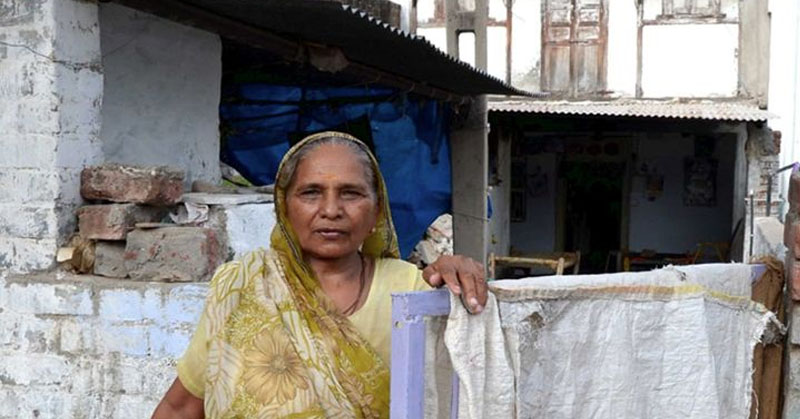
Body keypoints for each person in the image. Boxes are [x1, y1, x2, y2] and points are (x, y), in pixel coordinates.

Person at [152, 131, 488, 418]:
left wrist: (459, 282)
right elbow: (179, 408)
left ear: (377, 212)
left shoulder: (410, 289)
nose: (331, 210)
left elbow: (466, 391)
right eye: (311, 192)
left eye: (351, 193)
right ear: (284, 208)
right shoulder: (242, 286)